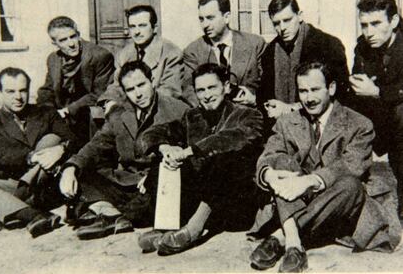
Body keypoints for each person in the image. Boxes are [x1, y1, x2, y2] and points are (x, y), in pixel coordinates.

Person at [250, 62, 400, 273]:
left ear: (331, 88)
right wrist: (269, 174)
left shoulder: (359, 123)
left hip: (339, 206)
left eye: (314, 90)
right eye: (303, 91)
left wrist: (309, 181)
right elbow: (269, 155)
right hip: (296, 200)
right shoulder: (287, 122)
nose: (309, 98)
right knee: (281, 163)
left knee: (351, 185)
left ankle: (280, 237)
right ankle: (294, 243)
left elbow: (352, 165)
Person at [139, 63, 264, 255]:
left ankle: (193, 230)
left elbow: (232, 138)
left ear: (226, 87)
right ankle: (166, 226)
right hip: (201, 196)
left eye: (212, 87)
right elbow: (152, 134)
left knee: (224, 159)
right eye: (200, 90)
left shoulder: (248, 114)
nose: (206, 95)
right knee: (164, 159)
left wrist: (190, 151)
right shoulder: (193, 116)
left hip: (235, 204)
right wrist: (167, 148)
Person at [58, 61, 188, 240]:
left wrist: (154, 176)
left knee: (164, 189)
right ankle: (115, 216)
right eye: (131, 89)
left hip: (158, 185)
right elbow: (96, 145)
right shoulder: (119, 114)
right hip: (129, 184)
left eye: (142, 85)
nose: (138, 94)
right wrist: (70, 168)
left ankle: (106, 212)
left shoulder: (178, 110)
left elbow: (188, 153)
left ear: (152, 81)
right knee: (83, 170)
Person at [0, 67, 78, 237]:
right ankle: (34, 216)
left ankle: (13, 211)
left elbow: (73, 140)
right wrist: (32, 157)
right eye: (10, 91)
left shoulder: (46, 113)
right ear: (0, 92)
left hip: (49, 181)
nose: (18, 97)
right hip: (16, 182)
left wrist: (60, 149)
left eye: (23, 90)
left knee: (51, 139)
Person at [258, 0, 349, 124]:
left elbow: (340, 92)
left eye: (287, 20)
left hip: (320, 125)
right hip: (281, 127)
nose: (282, 28)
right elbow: (264, 94)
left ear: (300, 16)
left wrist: (292, 108)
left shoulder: (328, 45)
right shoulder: (269, 52)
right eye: (276, 23)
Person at [349, 0, 403, 213]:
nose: (369, 32)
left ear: (394, 21)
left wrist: (378, 91)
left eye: (376, 24)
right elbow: (356, 78)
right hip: (380, 113)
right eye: (364, 25)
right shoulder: (362, 46)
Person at [37, 16, 115, 144]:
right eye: (63, 40)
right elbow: (47, 89)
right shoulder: (53, 59)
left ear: (78, 34)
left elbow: (99, 93)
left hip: (86, 115)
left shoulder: (100, 56)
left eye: (73, 36)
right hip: (60, 115)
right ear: (55, 43)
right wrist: (49, 111)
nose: (71, 44)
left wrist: (68, 110)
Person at [182, 0, 266, 107]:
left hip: (250, 114)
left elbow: (269, 84)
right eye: (201, 19)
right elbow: (188, 90)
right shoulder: (193, 51)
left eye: (210, 18)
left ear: (226, 17)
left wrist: (254, 99)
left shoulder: (255, 44)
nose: (205, 25)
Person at [98, 5, 184, 111]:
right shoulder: (124, 54)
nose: (137, 32)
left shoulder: (171, 53)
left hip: (159, 110)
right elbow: (116, 86)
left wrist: (129, 105)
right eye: (132, 26)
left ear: (155, 28)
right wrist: (110, 101)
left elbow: (170, 91)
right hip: (131, 109)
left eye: (142, 25)